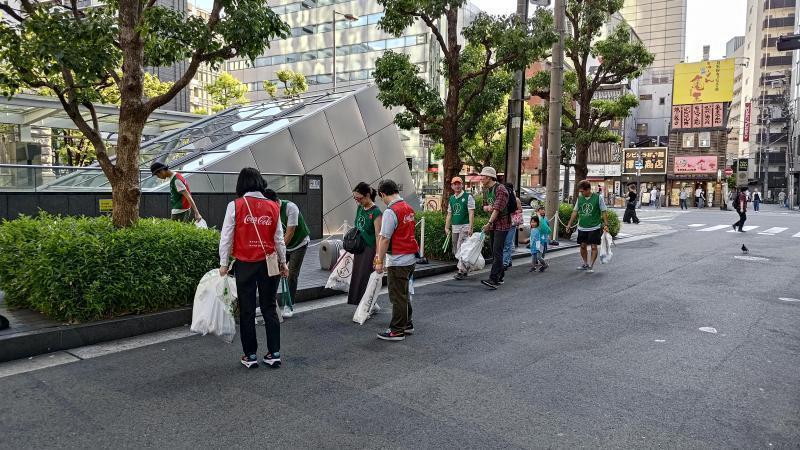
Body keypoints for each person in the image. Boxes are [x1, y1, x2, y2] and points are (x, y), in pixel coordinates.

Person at [219, 168, 288, 368]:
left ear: (241, 184)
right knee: (269, 307)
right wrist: (283, 263)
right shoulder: (273, 206)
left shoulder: (235, 205)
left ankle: (250, 356)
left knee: (247, 310)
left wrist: (224, 264)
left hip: (245, 263)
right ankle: (274, 353)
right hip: (269, 263)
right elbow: (279, 239)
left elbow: (226, 237)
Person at [373, 179, 419, 341]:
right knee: (404, 293)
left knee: (397, 296)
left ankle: (397, 330)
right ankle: (407, 324)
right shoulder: (408, 207)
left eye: (381, 198)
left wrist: (379, 261)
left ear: (382, 194)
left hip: (398, 260)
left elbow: (384, 238)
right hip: (410, 258)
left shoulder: (390, 211)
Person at [263, 189, 310, 317]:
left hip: (298, 244)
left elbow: (289, 233)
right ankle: (270, 303)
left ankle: (289, 305)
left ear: (275, 202)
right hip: (283, 245)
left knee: (292, 274)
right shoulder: (268, 211)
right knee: (274, 273)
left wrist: (280, 253)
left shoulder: (290, 207)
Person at [348, 182, 383, 306]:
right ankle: (365, 304)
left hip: (370, 249)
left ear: (367, 195)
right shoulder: (360, 208)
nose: (357, 201)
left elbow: (379, 236)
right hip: (359, 247)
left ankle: (368, 305)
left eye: (359, 198)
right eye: (355, 198)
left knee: (365, 277)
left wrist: (378, 256)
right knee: (358, 275)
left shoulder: (376, 212)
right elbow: (357, 227)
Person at [566, 180, 610, 274]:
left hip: (594, 226)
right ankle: (585, 264)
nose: (581, 193)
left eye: (582, 191)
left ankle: (591, 265)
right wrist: (569, 224)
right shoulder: (580, 199)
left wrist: (606, 224)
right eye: (580, 191)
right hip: (582, 226)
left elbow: (603, 211)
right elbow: (575, 212)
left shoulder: (598, 198)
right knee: (582, 246)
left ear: (588, 189)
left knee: (594, 247)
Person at [478, 167, 511, 290]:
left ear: (488, 177)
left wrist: (489, 223)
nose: (481, 178)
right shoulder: (486, 190)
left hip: (502, 224)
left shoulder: (501, 189)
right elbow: (484, 206)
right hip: (494, 225)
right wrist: (487, 208)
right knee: (495, 251)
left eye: (482, 176)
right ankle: (500, 276)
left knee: (497, 251)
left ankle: (493, 279)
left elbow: (497, 209)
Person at [445, 177, 475, 280]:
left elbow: (471, 213)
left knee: (461, 247)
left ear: (462, 185)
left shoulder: (468, 197)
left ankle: (461, 271)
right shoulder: (452, 198)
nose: (457, 186)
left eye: (459, 184)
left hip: (464, 226)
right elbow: (449, 214)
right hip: (455, 227)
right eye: (455, 184)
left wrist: (471, 227)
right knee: (456, 249)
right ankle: (465, 267)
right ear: (452, 186)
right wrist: (446, 227)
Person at [502, 182, 522, 270]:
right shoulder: (503, 198)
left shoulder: (516, 199)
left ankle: (505, 263)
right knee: (507, 243)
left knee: (507, 243)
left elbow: (520, 210)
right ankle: (508, 260)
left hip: (512, 223)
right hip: (504, 223)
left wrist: (513, 211)